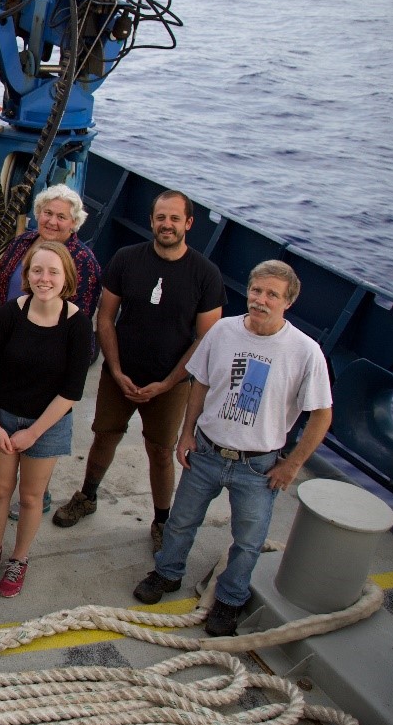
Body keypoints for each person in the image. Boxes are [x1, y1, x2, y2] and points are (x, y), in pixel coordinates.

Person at [132, 260, 332, 637]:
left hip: (257, 467)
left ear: (288, 301)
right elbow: (201, 385)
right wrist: (187, 433)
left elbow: (322, 415)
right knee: (180, 521)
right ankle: (167, 572)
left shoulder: (305, 352)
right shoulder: (223, 331)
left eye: (272, 294)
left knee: (248, 540)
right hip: (207, 452)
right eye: (256, 290)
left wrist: (292, 465)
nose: (261, 300)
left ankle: (230, 598)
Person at [53, 190, 224, 551]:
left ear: (188, 224)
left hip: (171, 381)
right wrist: (115, 370)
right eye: (161, 217)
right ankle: (87, 496)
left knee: (161, 451)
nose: (167, 224)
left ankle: (162, 520)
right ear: (151, 221)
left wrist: (168, 383)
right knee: (105, 436)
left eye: (175, 218)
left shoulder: (205, 275)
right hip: (122, 373)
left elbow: (206, 340)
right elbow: (106, 317)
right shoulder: (127, 259)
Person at [0, 241, 93, 598]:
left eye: (53, 271)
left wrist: (33, 433)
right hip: (2, 417)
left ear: (66, 276)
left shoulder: (78, 325)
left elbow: (71, 391)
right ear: (27, 275)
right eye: (37, 270)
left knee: (31, 497)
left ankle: (20, 558)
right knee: (0, 491)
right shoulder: (9, 313)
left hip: (47, 425)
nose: (44, 278)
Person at [0, 183, 101, 505]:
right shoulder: (23, 242)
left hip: (49, 353)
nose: (52, 221)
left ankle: (36, 489)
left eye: (61, 216)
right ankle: (1, 463)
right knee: (3, 399)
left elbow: (79, 317)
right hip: (10, 336)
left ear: (74, 223)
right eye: (47, 213)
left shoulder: (83, 262)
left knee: (39, 415)